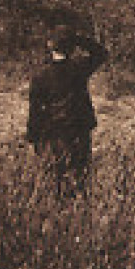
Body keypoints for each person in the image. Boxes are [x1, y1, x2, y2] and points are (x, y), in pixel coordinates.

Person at [25, 26, 106, 199]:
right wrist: (79, 39)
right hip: (79, 130)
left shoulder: (40, 75)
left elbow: (35, 110)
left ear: (50, 45)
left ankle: (58, 212)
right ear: (72, 47)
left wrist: (33, 137)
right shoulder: (79, 68)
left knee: (54, 178)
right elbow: (101, 53)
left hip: (53, 132)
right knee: (80, 177)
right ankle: (78, 212)